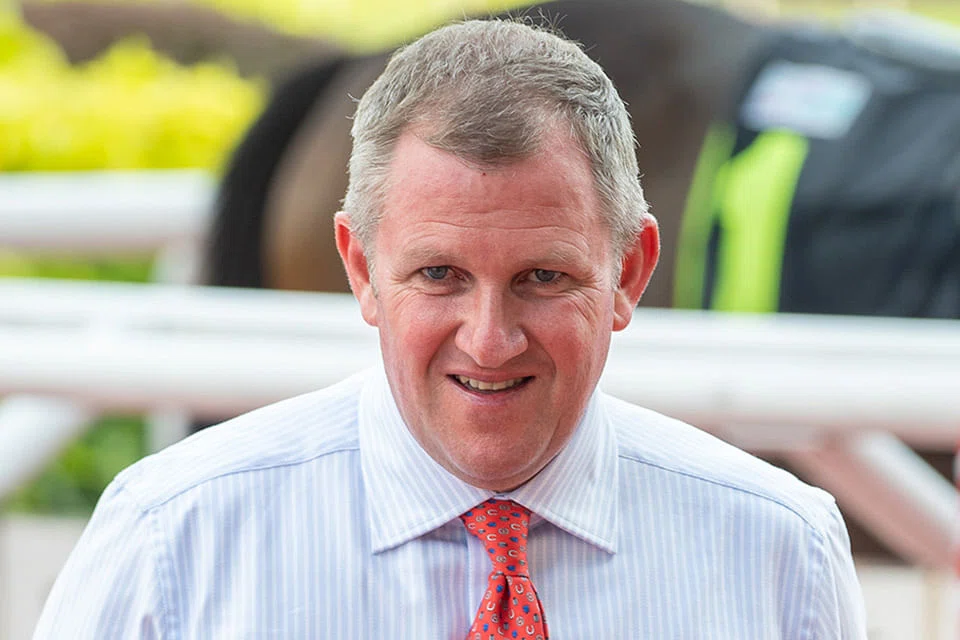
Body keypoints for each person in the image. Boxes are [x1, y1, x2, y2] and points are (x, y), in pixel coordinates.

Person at [33, 18, 867, 638]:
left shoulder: (779, 553)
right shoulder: (173, 540)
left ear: (630, 272)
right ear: (361, 269)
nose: (489, 340)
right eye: (439, 276)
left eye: (543, 278)